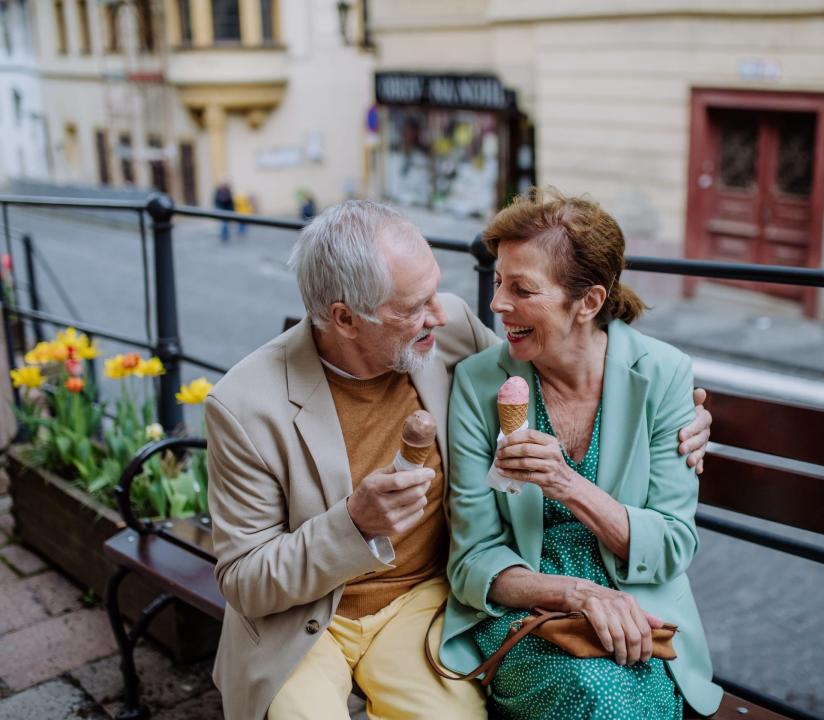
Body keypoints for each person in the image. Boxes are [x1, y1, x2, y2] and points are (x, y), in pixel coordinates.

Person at [204, 199, 713, 720]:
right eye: (416, 305)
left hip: (420, 604)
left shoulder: (449, 336)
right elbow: (245, 579)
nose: (443, 314)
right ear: (345, 319)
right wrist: (353, 525)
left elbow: (549, 368)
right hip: (305, 621)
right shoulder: (244, 405)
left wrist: (688, 418)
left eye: (435, 292)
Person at [439, 189, 724, 719]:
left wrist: (566, 483)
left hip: (641, 612)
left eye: (522, 289)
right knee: (590, 693)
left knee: (625, 696)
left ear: (588, 302)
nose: (498, 303)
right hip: (527, 608)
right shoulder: (481, 383)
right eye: (498, 281)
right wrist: (579, 595)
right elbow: (473, 558)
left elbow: (671, 545)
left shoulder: (662, 376)